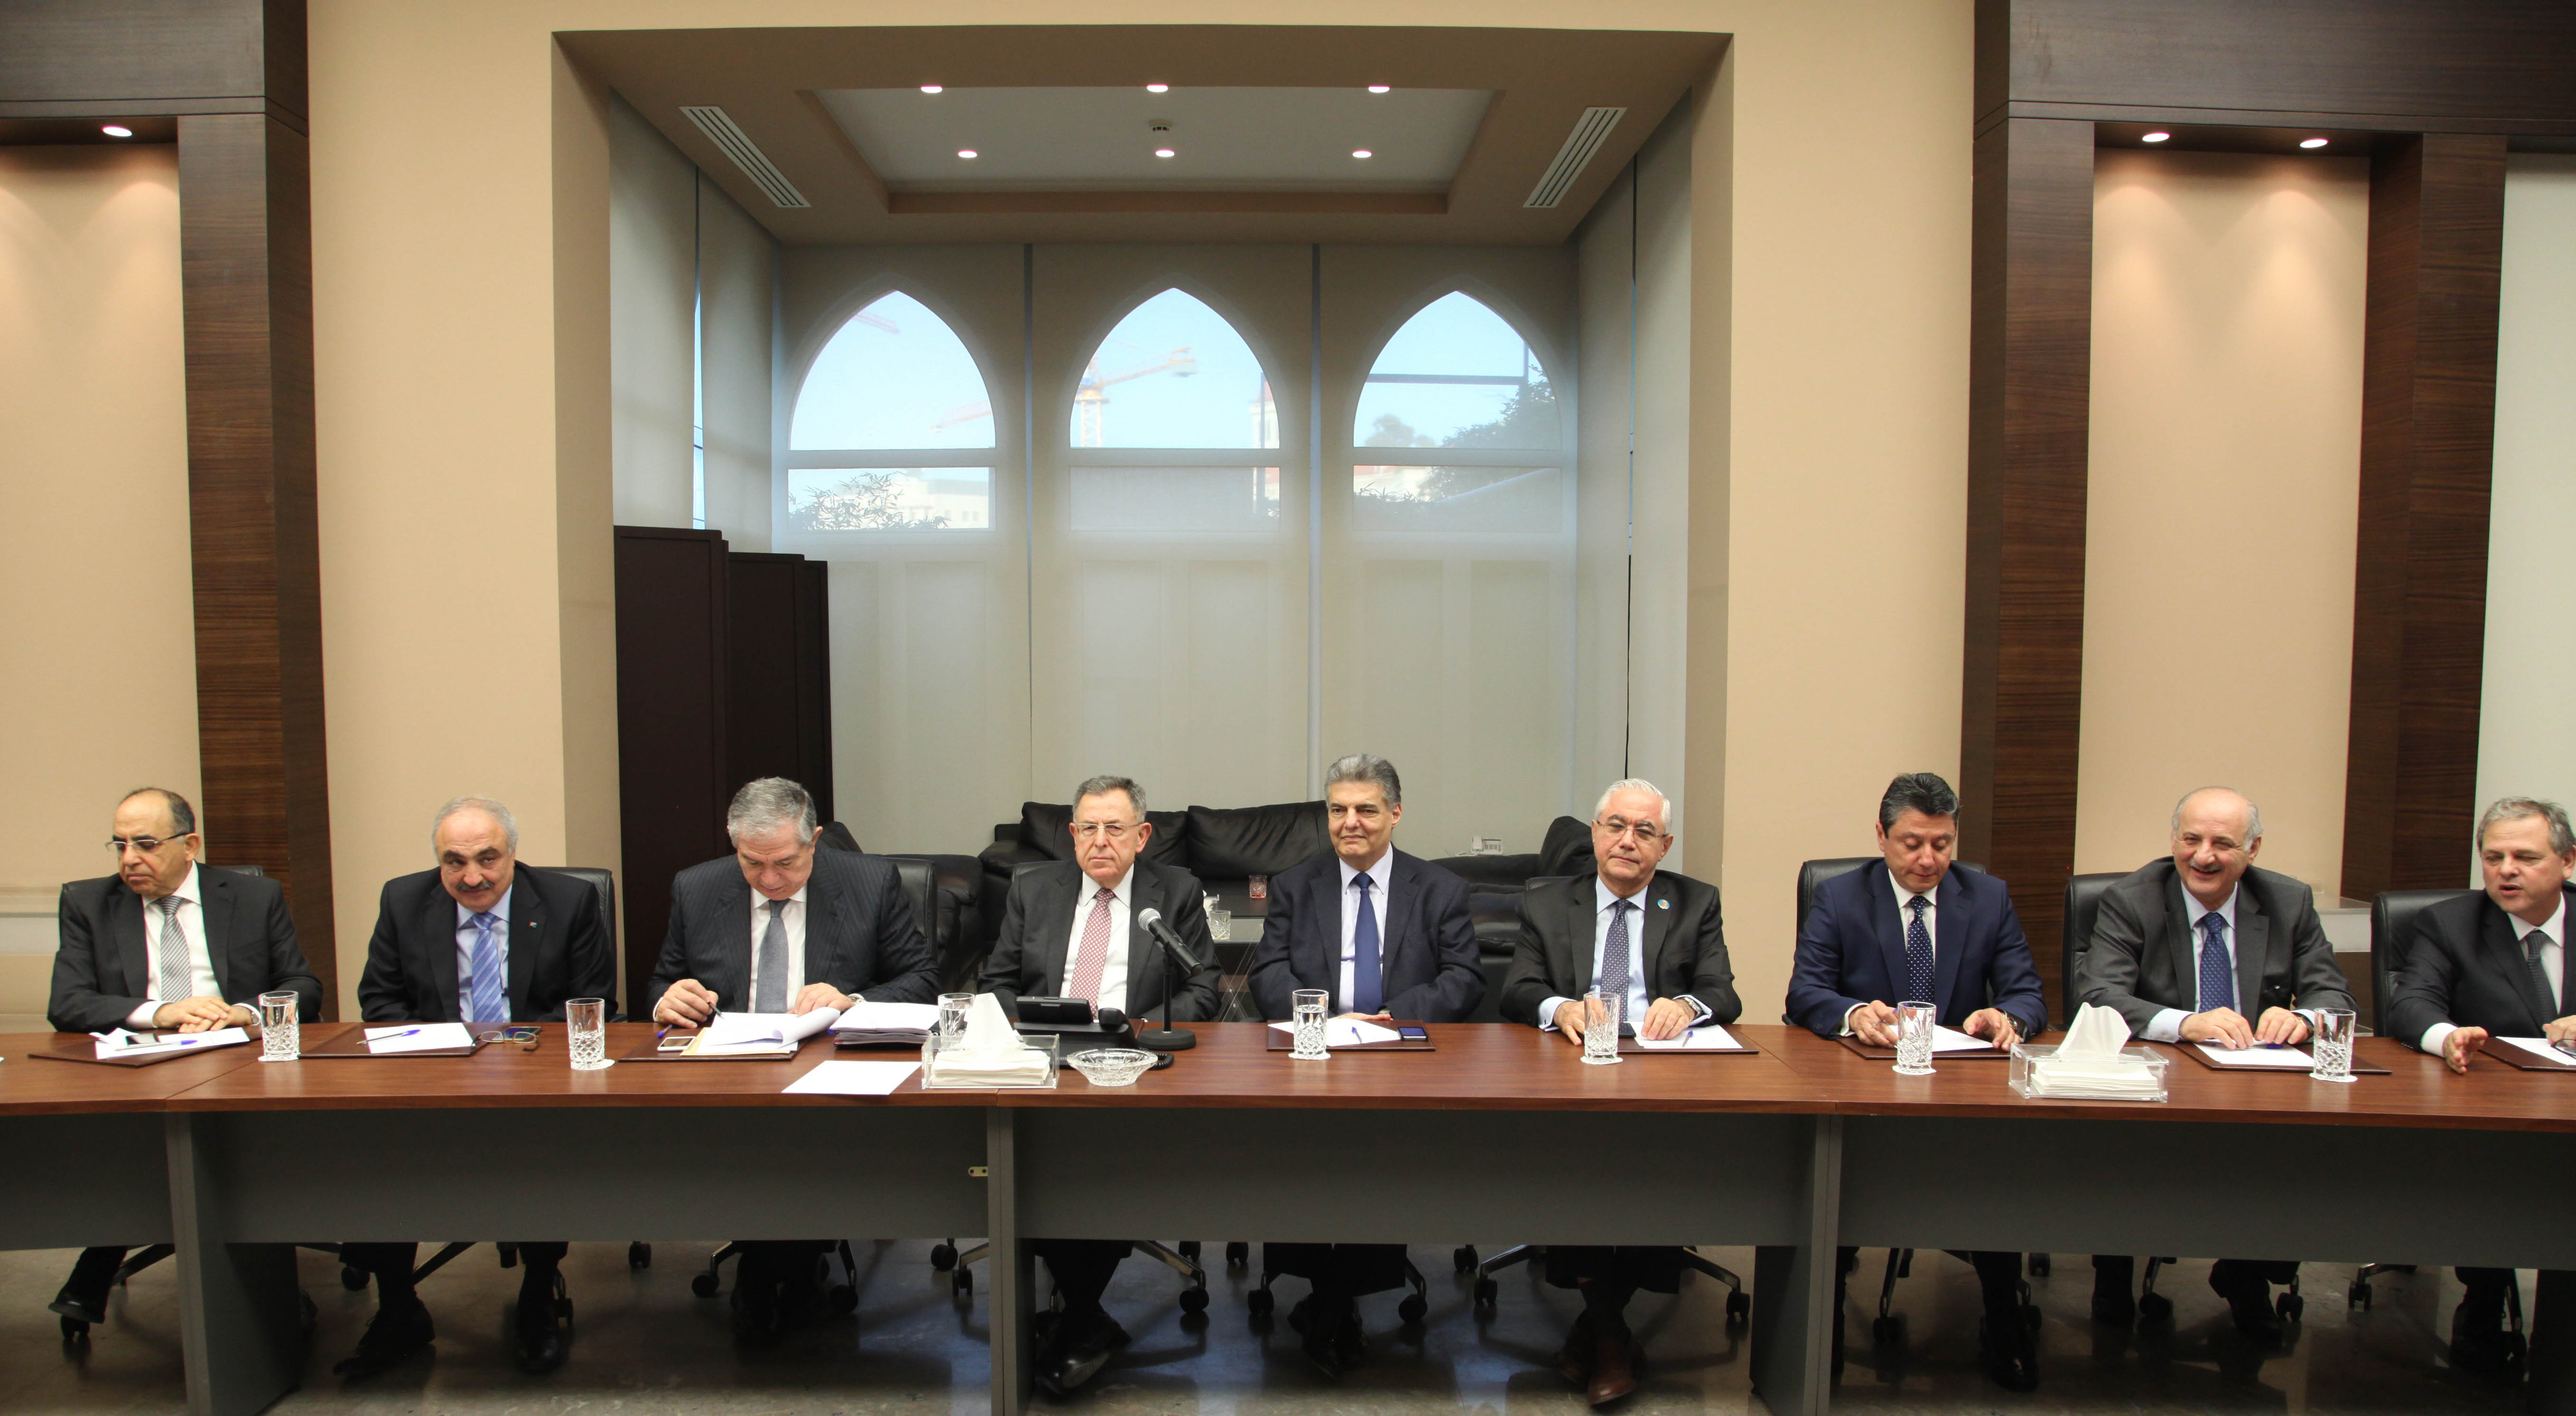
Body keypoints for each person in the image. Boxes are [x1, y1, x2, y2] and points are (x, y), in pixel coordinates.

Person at [646, 776, 938, 1345]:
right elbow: (662, 982)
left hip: (832, 1070)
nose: (770, 880)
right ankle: (784, 1273)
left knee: (795, 1139)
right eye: (752, 863)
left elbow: (923, 980)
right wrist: (668, 999)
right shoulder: (697, 888)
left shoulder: (869, 883)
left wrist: (852, 1001)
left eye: (785, 862)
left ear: (815, 840)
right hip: (731, 1073)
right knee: (753, 1138)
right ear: (734, 844)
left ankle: (770, 1275)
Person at [335, 796, 615, 1377]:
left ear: (513, 854)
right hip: (432, 1077)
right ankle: (398, 1307)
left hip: (536, 1077)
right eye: (454, 862)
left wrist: (513, 1053)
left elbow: (593, 1002)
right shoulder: (404, 900)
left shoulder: (567, 901)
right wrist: (442, 1058)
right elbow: (380, 1002)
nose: (472, 877)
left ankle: (538, 1293)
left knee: (538, 1144)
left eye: (488, 859)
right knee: (373, 1145)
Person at [1784, 772, 2046, 1390]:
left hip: (1961, 1097)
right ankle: (1820, 1333)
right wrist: (1854, 1013)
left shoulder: (1988, 897)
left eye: (1942, 844)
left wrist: (2006, 1018)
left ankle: (2004, 1321)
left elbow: (2028, 993)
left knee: (1993, 1187)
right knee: (1840, 1190)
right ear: (1881, 836)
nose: (1929, 859)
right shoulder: (1842, 897)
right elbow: (1805, 993)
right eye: (1912, 843)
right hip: (1866, 1095)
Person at [2074, 785, 2353, 1340]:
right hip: (2156, 1080)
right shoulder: (2132, 899)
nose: (2203, 856)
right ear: (2173, 840)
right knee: (2126, 1144)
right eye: (2191, 839)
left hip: (2253, 1083)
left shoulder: (2288, 902)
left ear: (2253, 849)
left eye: (2223, 844)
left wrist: (2303, 1020)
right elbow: (2098, 995)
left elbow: (2334, 996)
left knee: (2284, 1151)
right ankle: (2114, 1268)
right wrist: (2187, 1022)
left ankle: (2245, 1274)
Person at [47, 787, 322, 1335]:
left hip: (239, 1065)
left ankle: (251, 1280)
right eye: (120, 845)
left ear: (190, 844)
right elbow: (68, 1003)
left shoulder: (254, 897)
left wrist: (243, 1013)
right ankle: (107, 1249)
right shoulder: (88, 903)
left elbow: (304, 988)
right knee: (135, 1145)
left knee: (249, 1151)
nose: (129, 859)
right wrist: (162, 1012)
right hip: (139, 1069)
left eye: (145, 844)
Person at [980, 773, 1221, 1396]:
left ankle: (1077, 1317)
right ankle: (1085, 1319)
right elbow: (996, 980)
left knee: (1100, 1158)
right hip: (1045, 1060)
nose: (1099, 841)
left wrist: (1143, 1031)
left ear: (1142, 836)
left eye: (1114, 828)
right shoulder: (1034, 888)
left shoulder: (1176, 892)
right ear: (1071, 834)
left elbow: (1204, 985)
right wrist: (1023, 1027)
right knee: (1034, 1159)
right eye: (1087, 828)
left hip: (1131, 1063)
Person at [1499, 778, 1738, 1406]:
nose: (1628, 842)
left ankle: (1597, 1334)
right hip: (1573, 1077)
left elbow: (1722, 991)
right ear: (1596, 833)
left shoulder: (1695, 902)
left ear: (1665, 846)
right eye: (1616, 827)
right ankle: (1611, 1341)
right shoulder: (1549, 903)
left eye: (1645, 831)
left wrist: (1686, 1006)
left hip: (1660, 1078)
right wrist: (1560, 1007)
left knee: (1658, 1173)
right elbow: (1517, 987)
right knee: (1572, 1168)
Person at [1245, 753, 1482, 1375]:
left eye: (1366, 809)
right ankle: (1332, 1302)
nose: (1350, 822)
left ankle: (1331, 1303)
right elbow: (1267, 972)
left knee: (1377, 1155)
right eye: (1338, 810)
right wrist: (1317, 1015)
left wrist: (1394, 1017)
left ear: (1396, 813)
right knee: (1299, 1151)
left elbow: (1464, 978)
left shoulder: (1439, 889)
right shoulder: (1296, 885)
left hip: (1402, 1056)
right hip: (1311, 1051)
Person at [2386, 796, 2576, 1412]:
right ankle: (2484, 1296)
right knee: (2496, 1180)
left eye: (2525, 857)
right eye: (2493, 857)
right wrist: (2447, 1036)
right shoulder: (2451, 923)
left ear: (2569, 861)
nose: (2506, 870)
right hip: (2492, 1116)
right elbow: (2410, 1002)